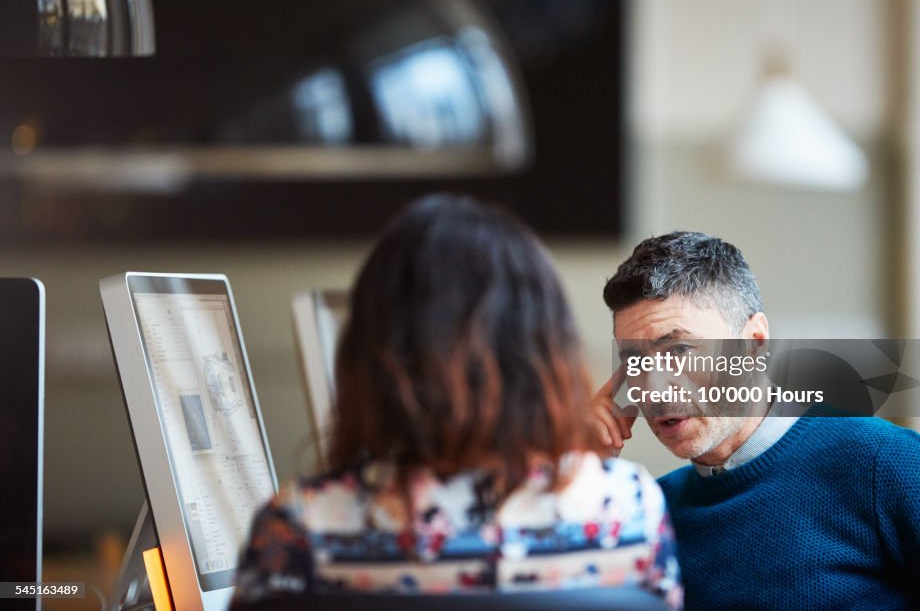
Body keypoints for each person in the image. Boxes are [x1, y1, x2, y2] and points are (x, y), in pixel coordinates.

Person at [231, 195, 682, 608]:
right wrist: (578, 464)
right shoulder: (629, 508)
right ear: (547, 350)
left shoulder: (303, 528)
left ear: (371, 354)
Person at [593, 231, 920, 610]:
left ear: (754, 342)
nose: (653, 386)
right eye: (633, 360)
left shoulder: (880, 463)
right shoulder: (652, 508)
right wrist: (578, 470)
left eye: (680, 350)